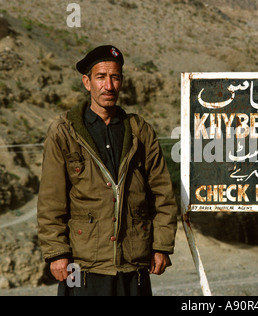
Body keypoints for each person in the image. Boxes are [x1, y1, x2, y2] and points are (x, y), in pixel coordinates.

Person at [37, 45, 178, 296]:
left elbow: (163, 194)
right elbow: (51, 200)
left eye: (114, 77)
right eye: (101, 77)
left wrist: (162, 246)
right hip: (82, 266)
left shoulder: (140, 131)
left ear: (121, 81)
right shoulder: (63, 132)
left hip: (133, 264)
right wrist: (57, 253)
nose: (108, 86)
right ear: (87, 82)